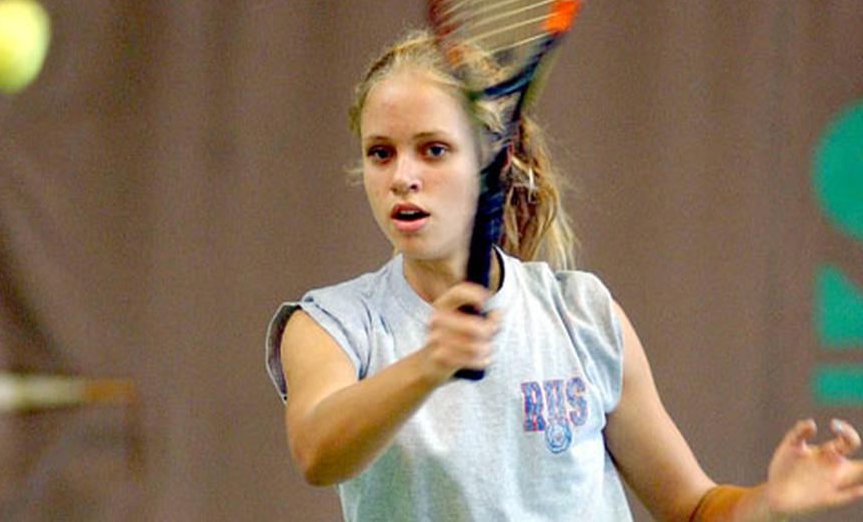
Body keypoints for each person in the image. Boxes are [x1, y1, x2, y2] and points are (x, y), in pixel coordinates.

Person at [265, 29, 863, 521]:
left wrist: (772, 503)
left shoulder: (583, 316)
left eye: (434, 149)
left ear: (494, 162)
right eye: (381, 152)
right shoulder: (332, 324)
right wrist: (429, 365)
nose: (402, 176)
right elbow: (318, 451)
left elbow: (694, 505)